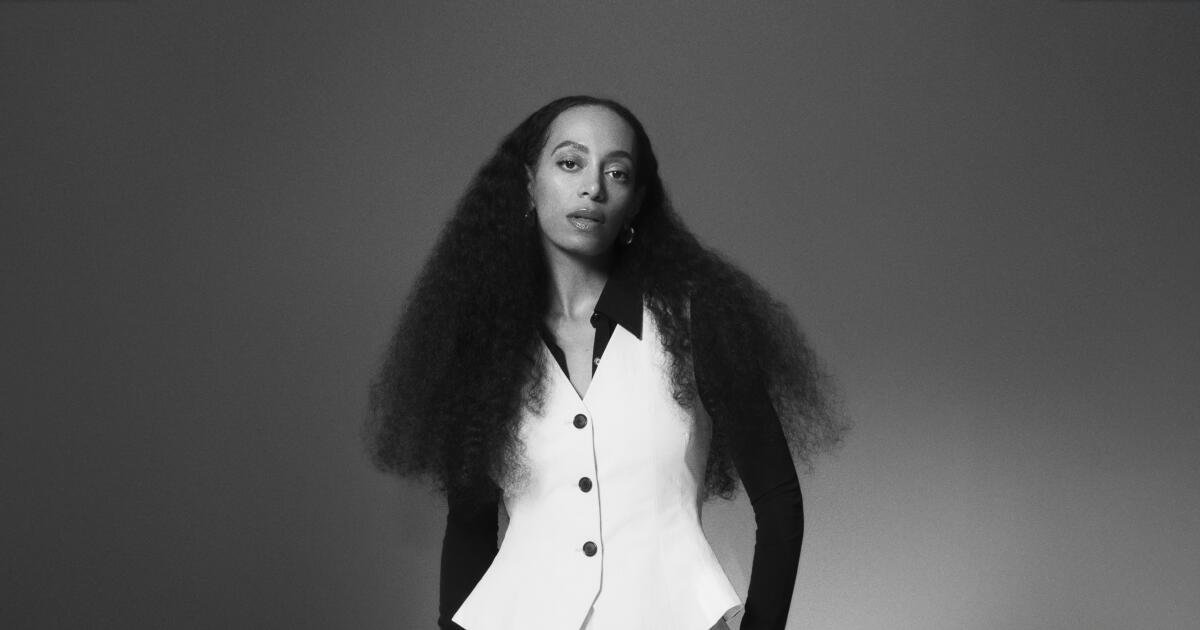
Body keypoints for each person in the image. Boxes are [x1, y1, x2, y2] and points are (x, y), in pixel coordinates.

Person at [368, 95, 844, 630]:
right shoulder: (485, 343)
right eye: (570, 163)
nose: (593, 187)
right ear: (528, 182)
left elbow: (779, 505)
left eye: (616, 173)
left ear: (635, 202)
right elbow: (470, 529)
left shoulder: (695, 320)